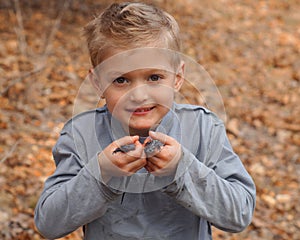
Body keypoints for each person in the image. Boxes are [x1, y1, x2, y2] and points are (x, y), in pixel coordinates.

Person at [34, 2, 256, 239]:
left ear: (178, 78)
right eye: (121, 80)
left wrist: (182, 170)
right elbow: (49, 223)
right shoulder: (81, 134)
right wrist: (101, 174)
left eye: (154, 77)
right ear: (98, 83)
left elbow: (239, 213)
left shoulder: (203, 129)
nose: (138, 95)